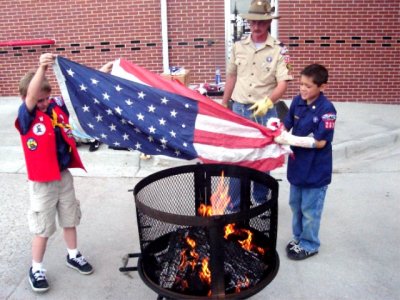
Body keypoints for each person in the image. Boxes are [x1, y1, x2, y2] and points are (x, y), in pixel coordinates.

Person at [15, 53, 94, 293]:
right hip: (42, 182)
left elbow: (77, 97)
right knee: (43, 228)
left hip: (63, 176)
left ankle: (73, 255)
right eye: (40, 100)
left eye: (47, 99)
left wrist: (103, 72)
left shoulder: (55, 110)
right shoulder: (26, 116)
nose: (44, 103)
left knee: (70, 219)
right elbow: (31, 95)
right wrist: (42, 67)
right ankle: (36, 268)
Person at [221, 0, 293, 207]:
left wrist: (267, 102)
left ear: (269, 21)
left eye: (261, 22)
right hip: (240, 109)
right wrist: (224, 103)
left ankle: (260, 200)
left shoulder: (280, 50)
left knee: (263, 157)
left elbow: (282, 84)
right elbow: (231, 77)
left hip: (265, 112)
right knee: (236, 156)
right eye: (252, 22)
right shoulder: (237, 47)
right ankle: (234, 203)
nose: (256, 26)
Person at [274, 64, 337, 260]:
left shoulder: (327, 110)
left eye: (308, 86)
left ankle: (310, 244)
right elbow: (287, 123)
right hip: (298, 166)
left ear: (322, 87)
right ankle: (299, 238)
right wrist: (278, 130)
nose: (303, 89)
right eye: (301, 84)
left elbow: (320, 142)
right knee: (296, 205)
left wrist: (290, 140)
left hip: (316, 170)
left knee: (310, 210)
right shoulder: (297, 102)